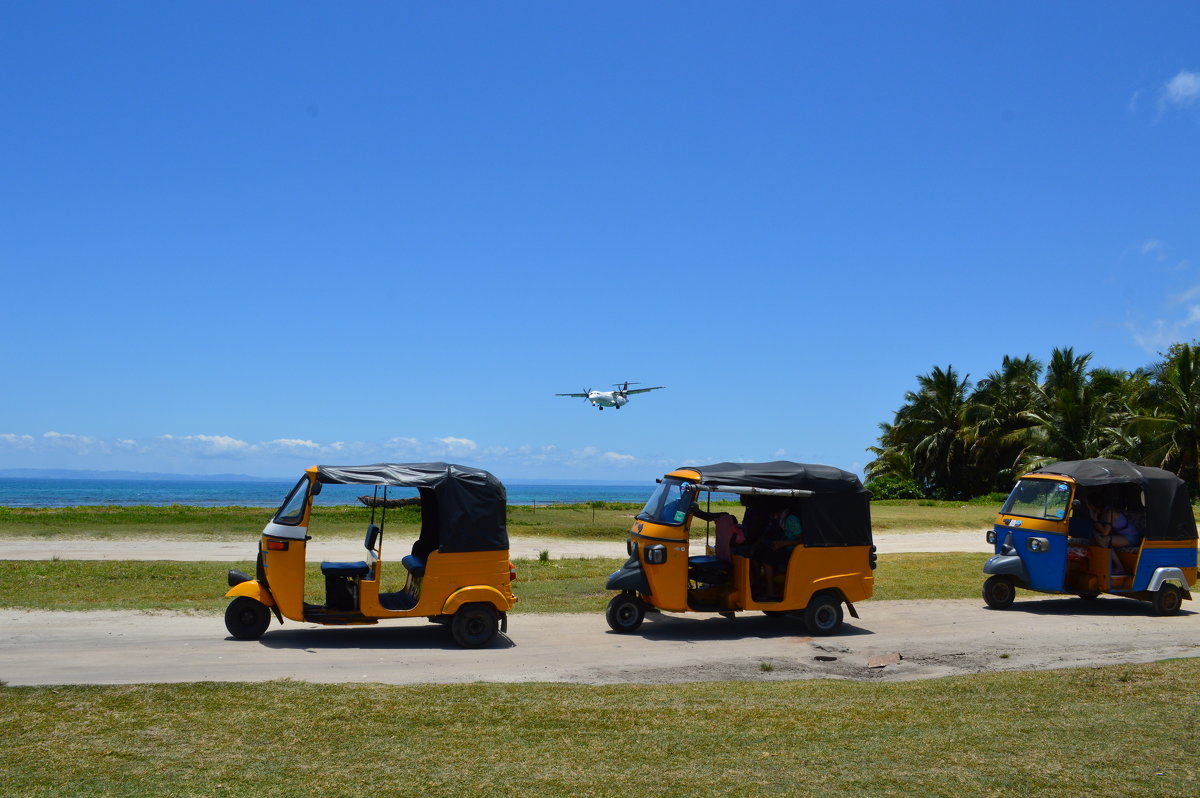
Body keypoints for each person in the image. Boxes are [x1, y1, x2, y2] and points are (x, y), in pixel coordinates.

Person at [1086, 492, 1140, 575]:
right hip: (1122, 536)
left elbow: (1105, 532)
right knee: (1097, 538)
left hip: (1132, 537)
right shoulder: (1102, 512)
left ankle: (1119, 567)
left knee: (1102, 540)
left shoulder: (1109, 512)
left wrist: (1095, 520)